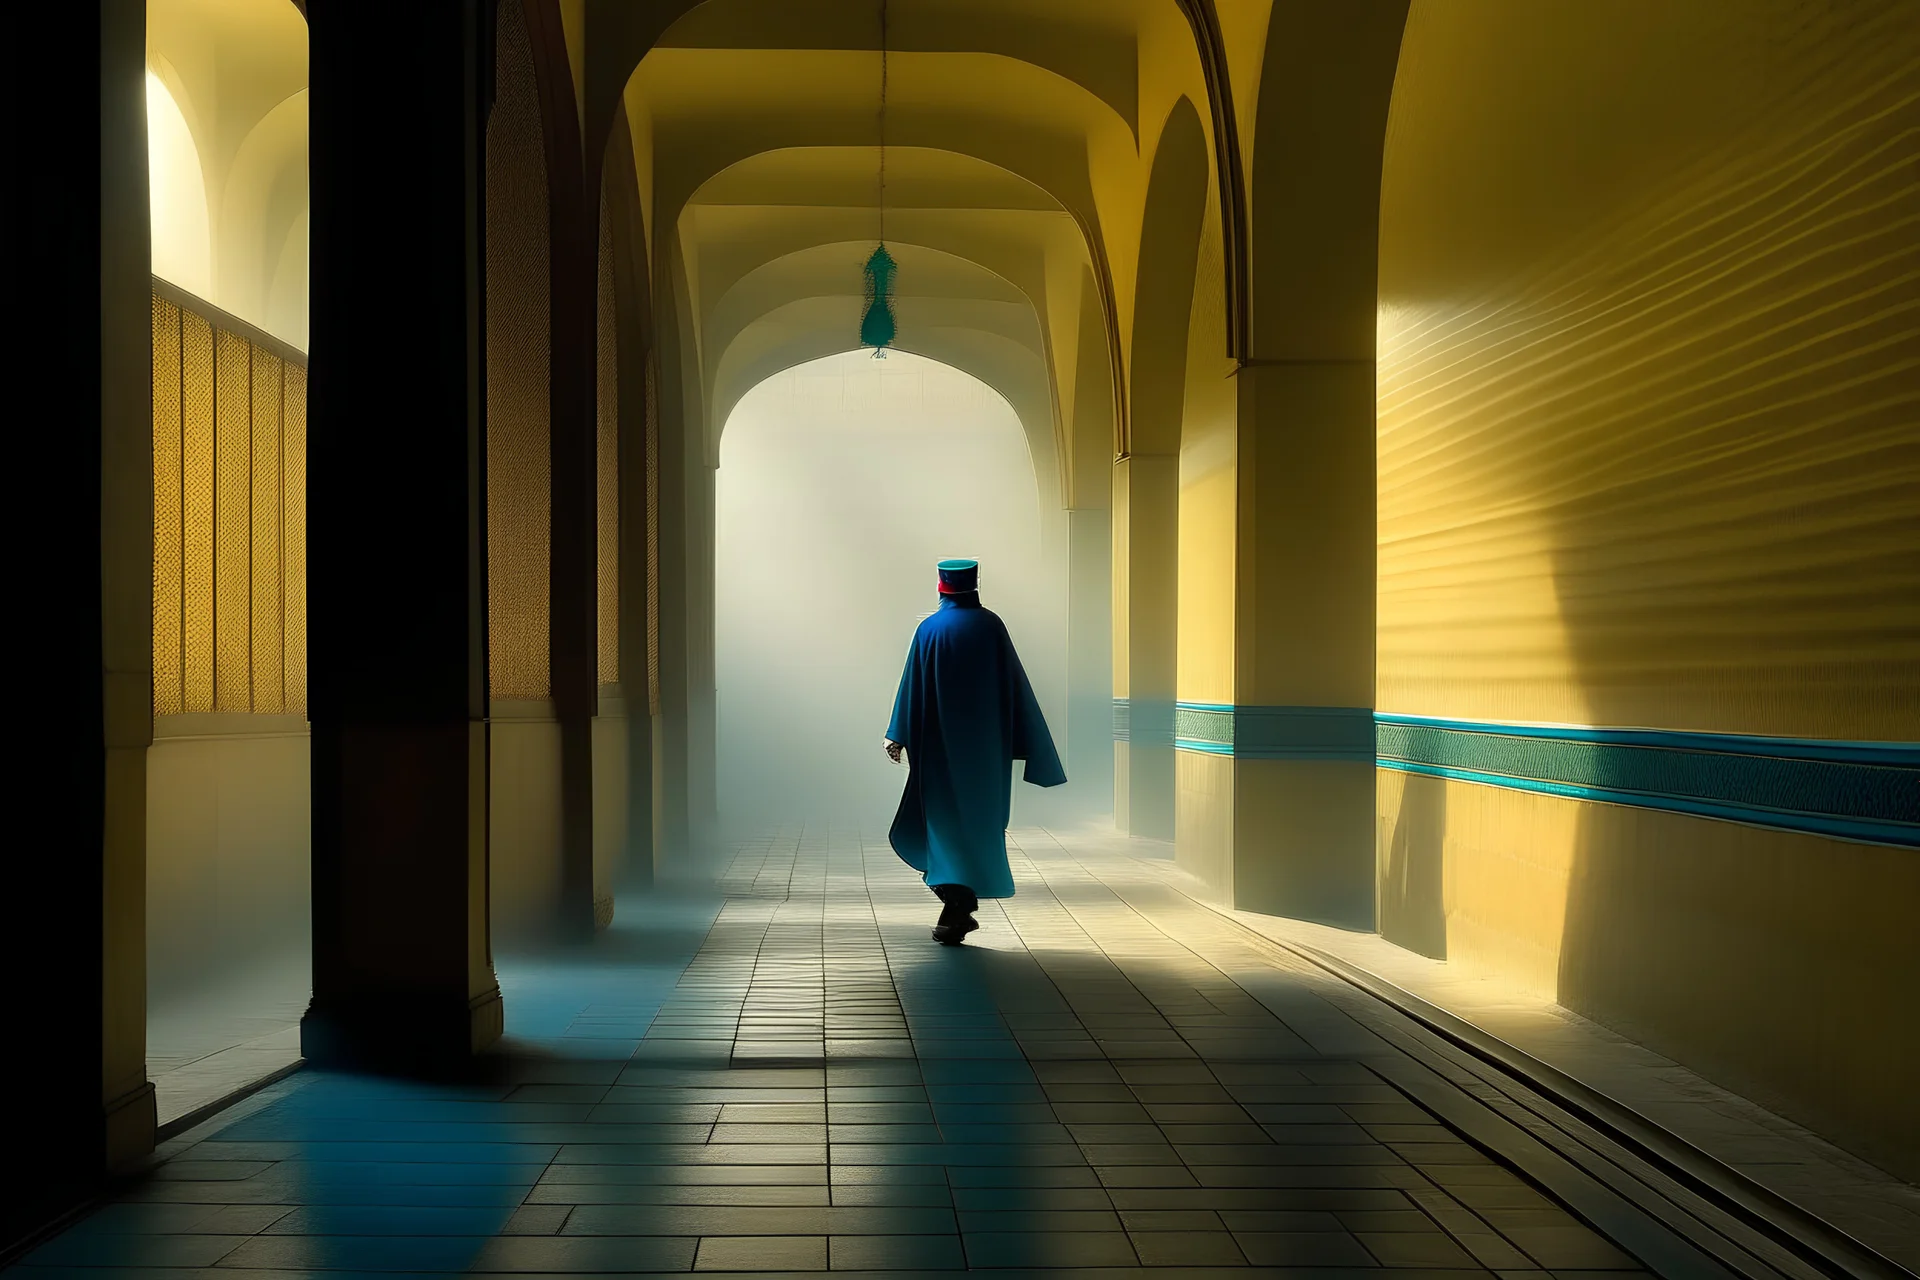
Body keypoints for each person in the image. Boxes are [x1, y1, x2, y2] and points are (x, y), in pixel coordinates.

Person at [884, 559, 1066, 944]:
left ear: (940, 587)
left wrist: (897, 733)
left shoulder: (929, 630)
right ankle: (958, 906)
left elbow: (911, 686)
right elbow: (1015, 684)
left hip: (938, 749)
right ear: (974, 585)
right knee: (979, 822)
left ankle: (957, 903)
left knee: (942, 824)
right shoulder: (991, 627)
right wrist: (1026, 741)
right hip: (985, 750)